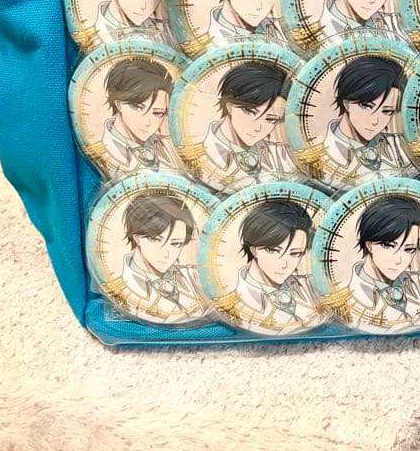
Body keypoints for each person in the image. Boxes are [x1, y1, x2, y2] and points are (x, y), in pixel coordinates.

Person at [223, 200, 319, 330]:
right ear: (253, 249)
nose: (284, 264)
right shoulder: (231, 304)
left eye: (295, 253)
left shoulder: (312, 287)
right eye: (273, 250)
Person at [201, 62, 295, 190]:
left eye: (271, 119)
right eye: (250, 112)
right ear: (229, 106)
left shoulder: (282, 154)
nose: (258, 127)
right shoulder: (201, 157)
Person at [116, 193, 205, 321]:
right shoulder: (120, 290)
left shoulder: (193, 276)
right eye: (156, 240)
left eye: (176, 244)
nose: (166, 254)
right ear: (137, 237)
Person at [347, 196, 420, 330]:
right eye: (388, 245)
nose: (399, 260)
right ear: (369, 244)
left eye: (409, 249)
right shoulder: (347, 298)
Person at [323, 56, 410, 177]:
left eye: (387, 111)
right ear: (346, 103)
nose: (375, 121)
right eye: (366, 106)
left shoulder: (400, 145)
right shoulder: (321, 155)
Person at [100, 58, 182, 175]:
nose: (147, 122)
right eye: (137, 107)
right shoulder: (102, 151)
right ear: (118, 103)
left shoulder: (170, 146)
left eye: (157, 113)